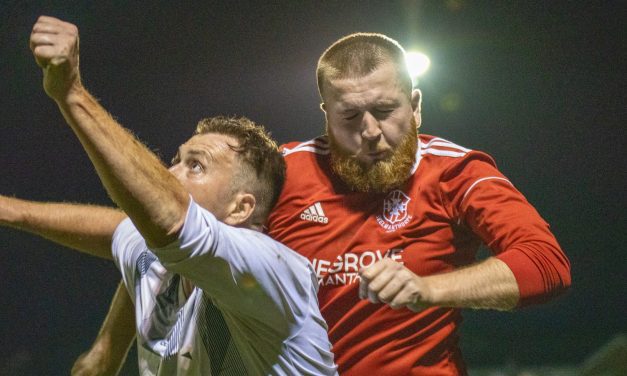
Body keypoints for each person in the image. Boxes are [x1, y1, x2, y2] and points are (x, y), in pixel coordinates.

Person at [72, 31, 571, 374]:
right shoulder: (286, 170)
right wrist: (106, 348)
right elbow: (168, 229)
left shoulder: (457, 172)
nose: (372, 132)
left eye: (386, 110)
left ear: (415, 105)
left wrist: (428, 288)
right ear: (325, 114)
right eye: (350, 116)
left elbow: (546, 265)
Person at [4, 15, 338, 375]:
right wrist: (9, 211)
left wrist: (72, 93)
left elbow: (169, 220)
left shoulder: (267, 267)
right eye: (175, 161)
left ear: (241, 208)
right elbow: (120, 228)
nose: (170, 174)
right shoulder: (160, 260)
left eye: (196, 166)